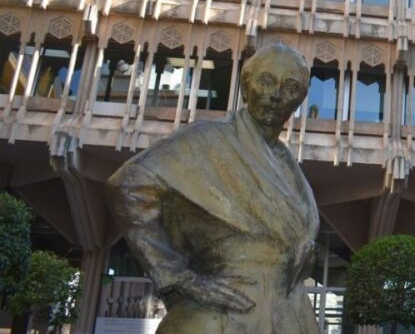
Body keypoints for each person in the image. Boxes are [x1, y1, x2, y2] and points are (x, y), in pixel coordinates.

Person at [107, 44, 320, 333]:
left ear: (299, 99)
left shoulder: (284, 161)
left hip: (288, 312)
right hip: (225, 312)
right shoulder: (207, 138)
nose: (276, 94)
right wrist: (180, 277)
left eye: (291, 87)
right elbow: (128, 186)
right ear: (246, 86)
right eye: (266, 81)